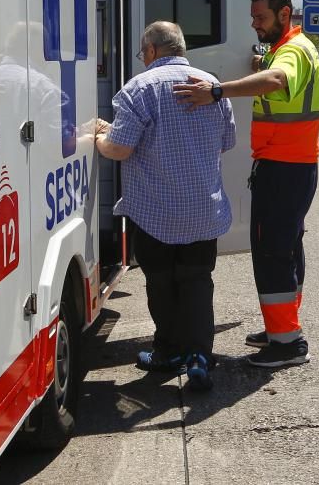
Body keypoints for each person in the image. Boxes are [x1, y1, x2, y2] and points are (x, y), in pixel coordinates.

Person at [173, 0, 319, 369]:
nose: (255, 25)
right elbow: (271, 71)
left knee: (273, 252)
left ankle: (288, 343)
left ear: (284, 14)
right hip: (293, 166)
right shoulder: (285, 49)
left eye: (261, 17)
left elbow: (276, 80)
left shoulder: (291, 52)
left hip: (284, 169)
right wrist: (260, 62)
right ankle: (283, 329)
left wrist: (217, 91)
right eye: (253, 17)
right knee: (287, 248)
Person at [95, 21, 235, 390]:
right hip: (204, 208)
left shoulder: (138, 90)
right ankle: (200, 357)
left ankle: (169, 353)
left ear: (153, 50)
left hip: (155, 212)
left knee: (161, 282)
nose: (143, 59)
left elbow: (119, 148)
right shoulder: (212, 87)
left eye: (143, 53)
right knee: (197, 282)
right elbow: (225, 141)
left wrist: (99, 137)